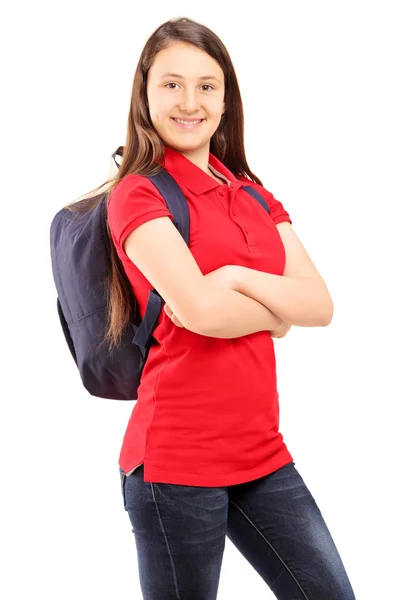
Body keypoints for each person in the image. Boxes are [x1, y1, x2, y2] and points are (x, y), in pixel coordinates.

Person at [97, 16, 355, 600]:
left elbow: (320, 305)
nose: (190, 101)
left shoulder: (253, 191)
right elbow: (205, 314)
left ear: (226, 97)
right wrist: (277, 311)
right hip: (176, 462)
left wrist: (237, 277)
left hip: (262, 452)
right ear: (144, 92)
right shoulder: (139, 192)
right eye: (171, 84)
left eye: (207, 85)